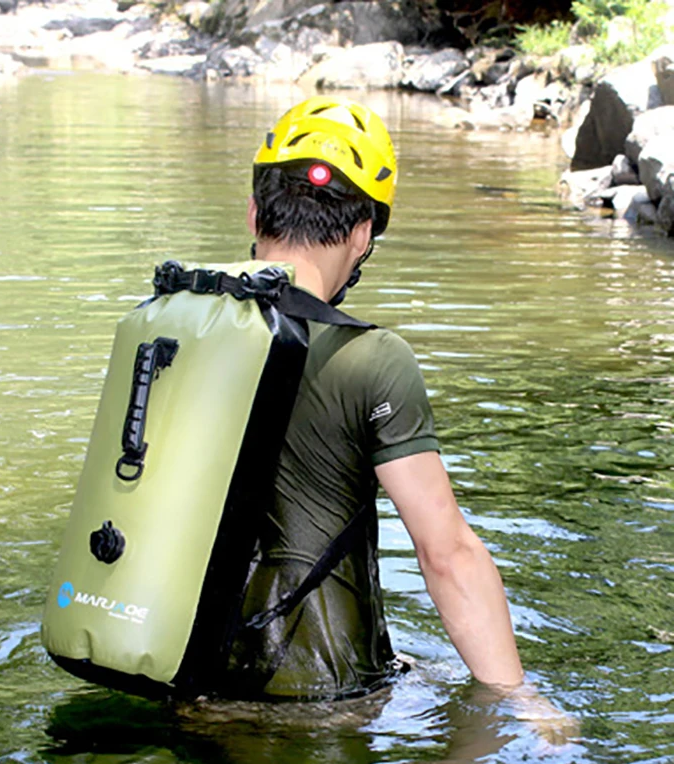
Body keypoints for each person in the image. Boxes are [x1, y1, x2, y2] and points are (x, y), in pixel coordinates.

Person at [222, 95, 527, 701]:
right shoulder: (372, 359)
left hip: (181, 682)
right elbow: (447, 555)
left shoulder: (172, 324)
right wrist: (521, 702)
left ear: (255, 213)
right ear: (362, 235)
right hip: (319, 705)